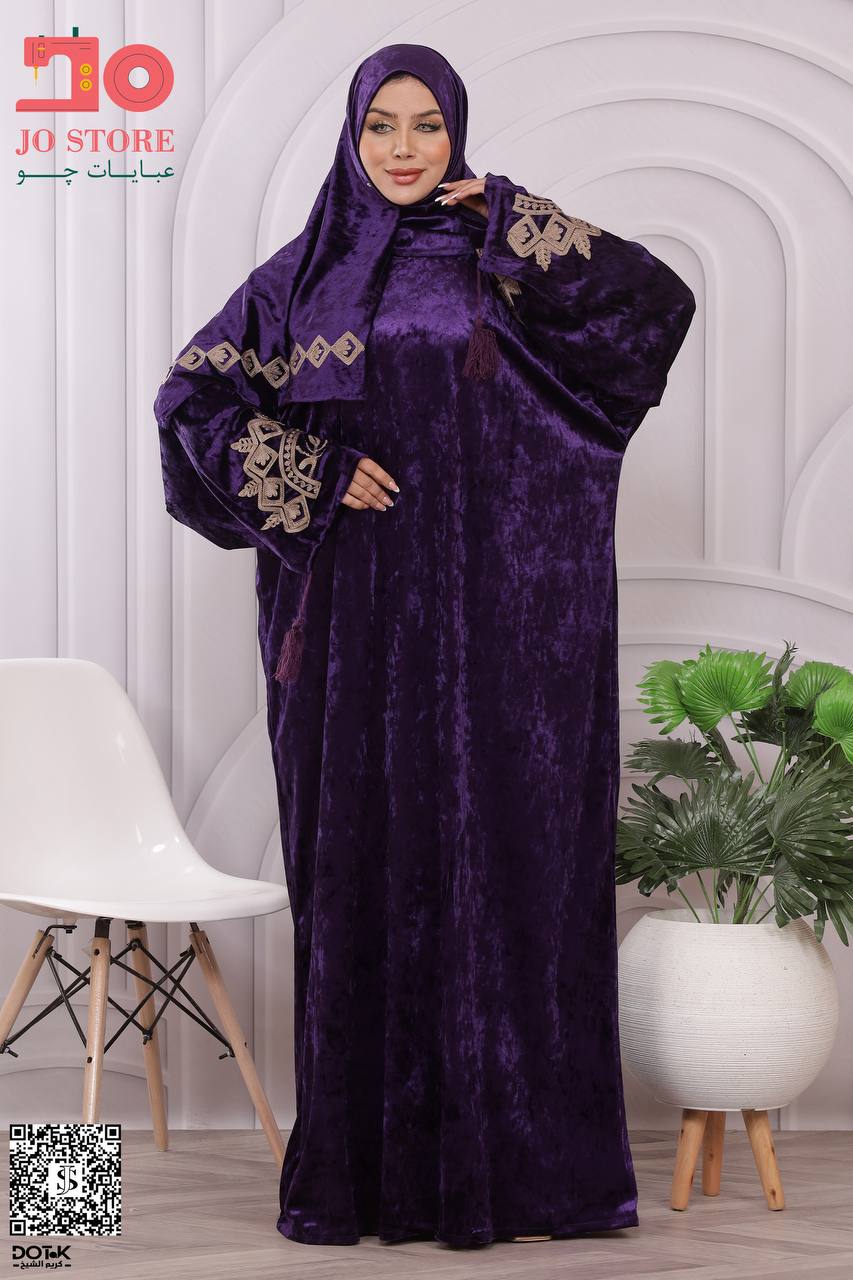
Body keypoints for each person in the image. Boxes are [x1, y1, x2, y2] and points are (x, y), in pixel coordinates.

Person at [153, 42, 696, 1249]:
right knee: (361, 867)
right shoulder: (299, 280)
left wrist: (516, 219)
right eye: (381, 127)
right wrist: (311, 468)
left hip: (505, 625)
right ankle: (365, 1176)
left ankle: (528, 1172)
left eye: (426, 126)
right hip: (349, 640)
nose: (404, 149)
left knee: (512, 864)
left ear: (455, 133)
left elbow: (654, 308)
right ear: (352, 139)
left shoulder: (503, 257)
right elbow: (190, 406)